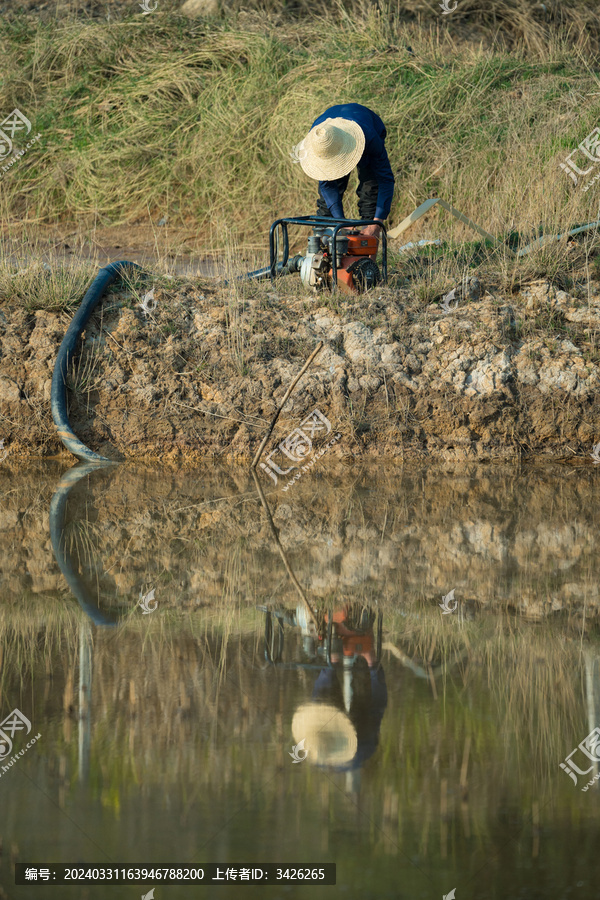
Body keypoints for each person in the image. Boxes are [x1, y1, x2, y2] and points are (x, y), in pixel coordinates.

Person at [294, 103, 395, 241]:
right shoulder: (317, 139)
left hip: (363, 134)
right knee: (327, 207)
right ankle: (324, 254)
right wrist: (341, 223)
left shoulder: (369, 137)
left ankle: (368, 258)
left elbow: (385, 179)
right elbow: (327, 187)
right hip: (332, 136)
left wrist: (377, 222)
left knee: (371, 192)